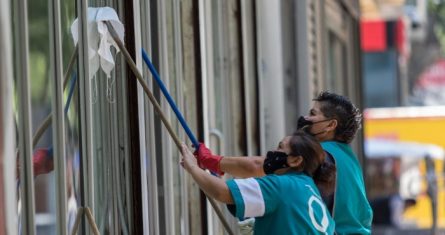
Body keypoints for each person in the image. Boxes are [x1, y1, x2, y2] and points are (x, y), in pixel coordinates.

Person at [195, 91, 373, 234]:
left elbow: (259, 166)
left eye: (313, 114)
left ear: (330, 125)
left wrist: (214, 161)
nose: (305, 118)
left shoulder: (323, 154)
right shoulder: (348, 159)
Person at [181, 132, 336, 235]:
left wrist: (192, 167)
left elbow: (222, 192)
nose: (273, 152)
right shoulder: (311, 192)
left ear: (295, 160)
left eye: (280, 147)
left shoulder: (283, 186)